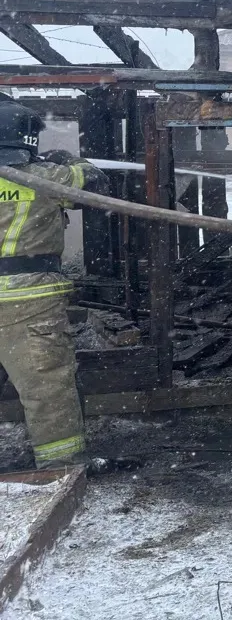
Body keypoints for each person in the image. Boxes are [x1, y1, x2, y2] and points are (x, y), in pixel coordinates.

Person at [0, 98, 106, 468]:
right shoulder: (45, 177)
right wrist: (67, 159)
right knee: (46, 387)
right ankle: (61, 468)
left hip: (24, 296)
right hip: (28, 299)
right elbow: (95, 184)